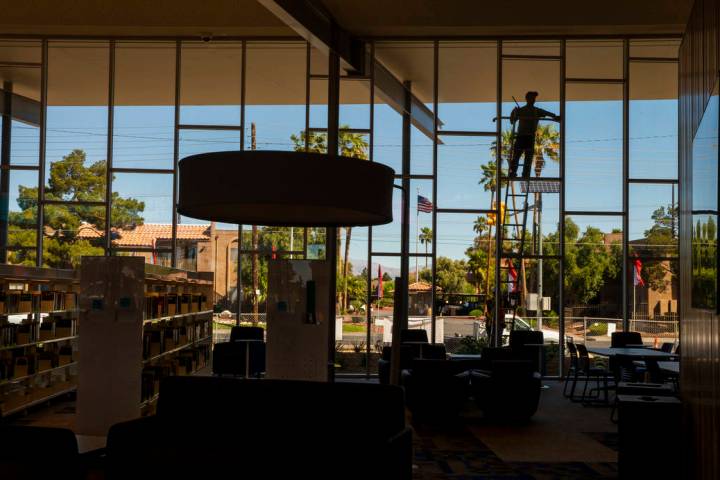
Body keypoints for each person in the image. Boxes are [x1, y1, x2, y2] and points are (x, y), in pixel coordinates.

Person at [508, 91, 560, 178]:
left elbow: (547, 113)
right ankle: (513, 173)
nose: (533, 100)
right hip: (521, 136)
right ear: (527, 99)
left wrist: (554, 116)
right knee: (517, 156)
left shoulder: (536, 111)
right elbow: (512, 121)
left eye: (534, 98)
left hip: (529, 137)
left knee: (527, 157)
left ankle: (524, 174)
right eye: (531, 98)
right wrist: (514, 112)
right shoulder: (522, 110)